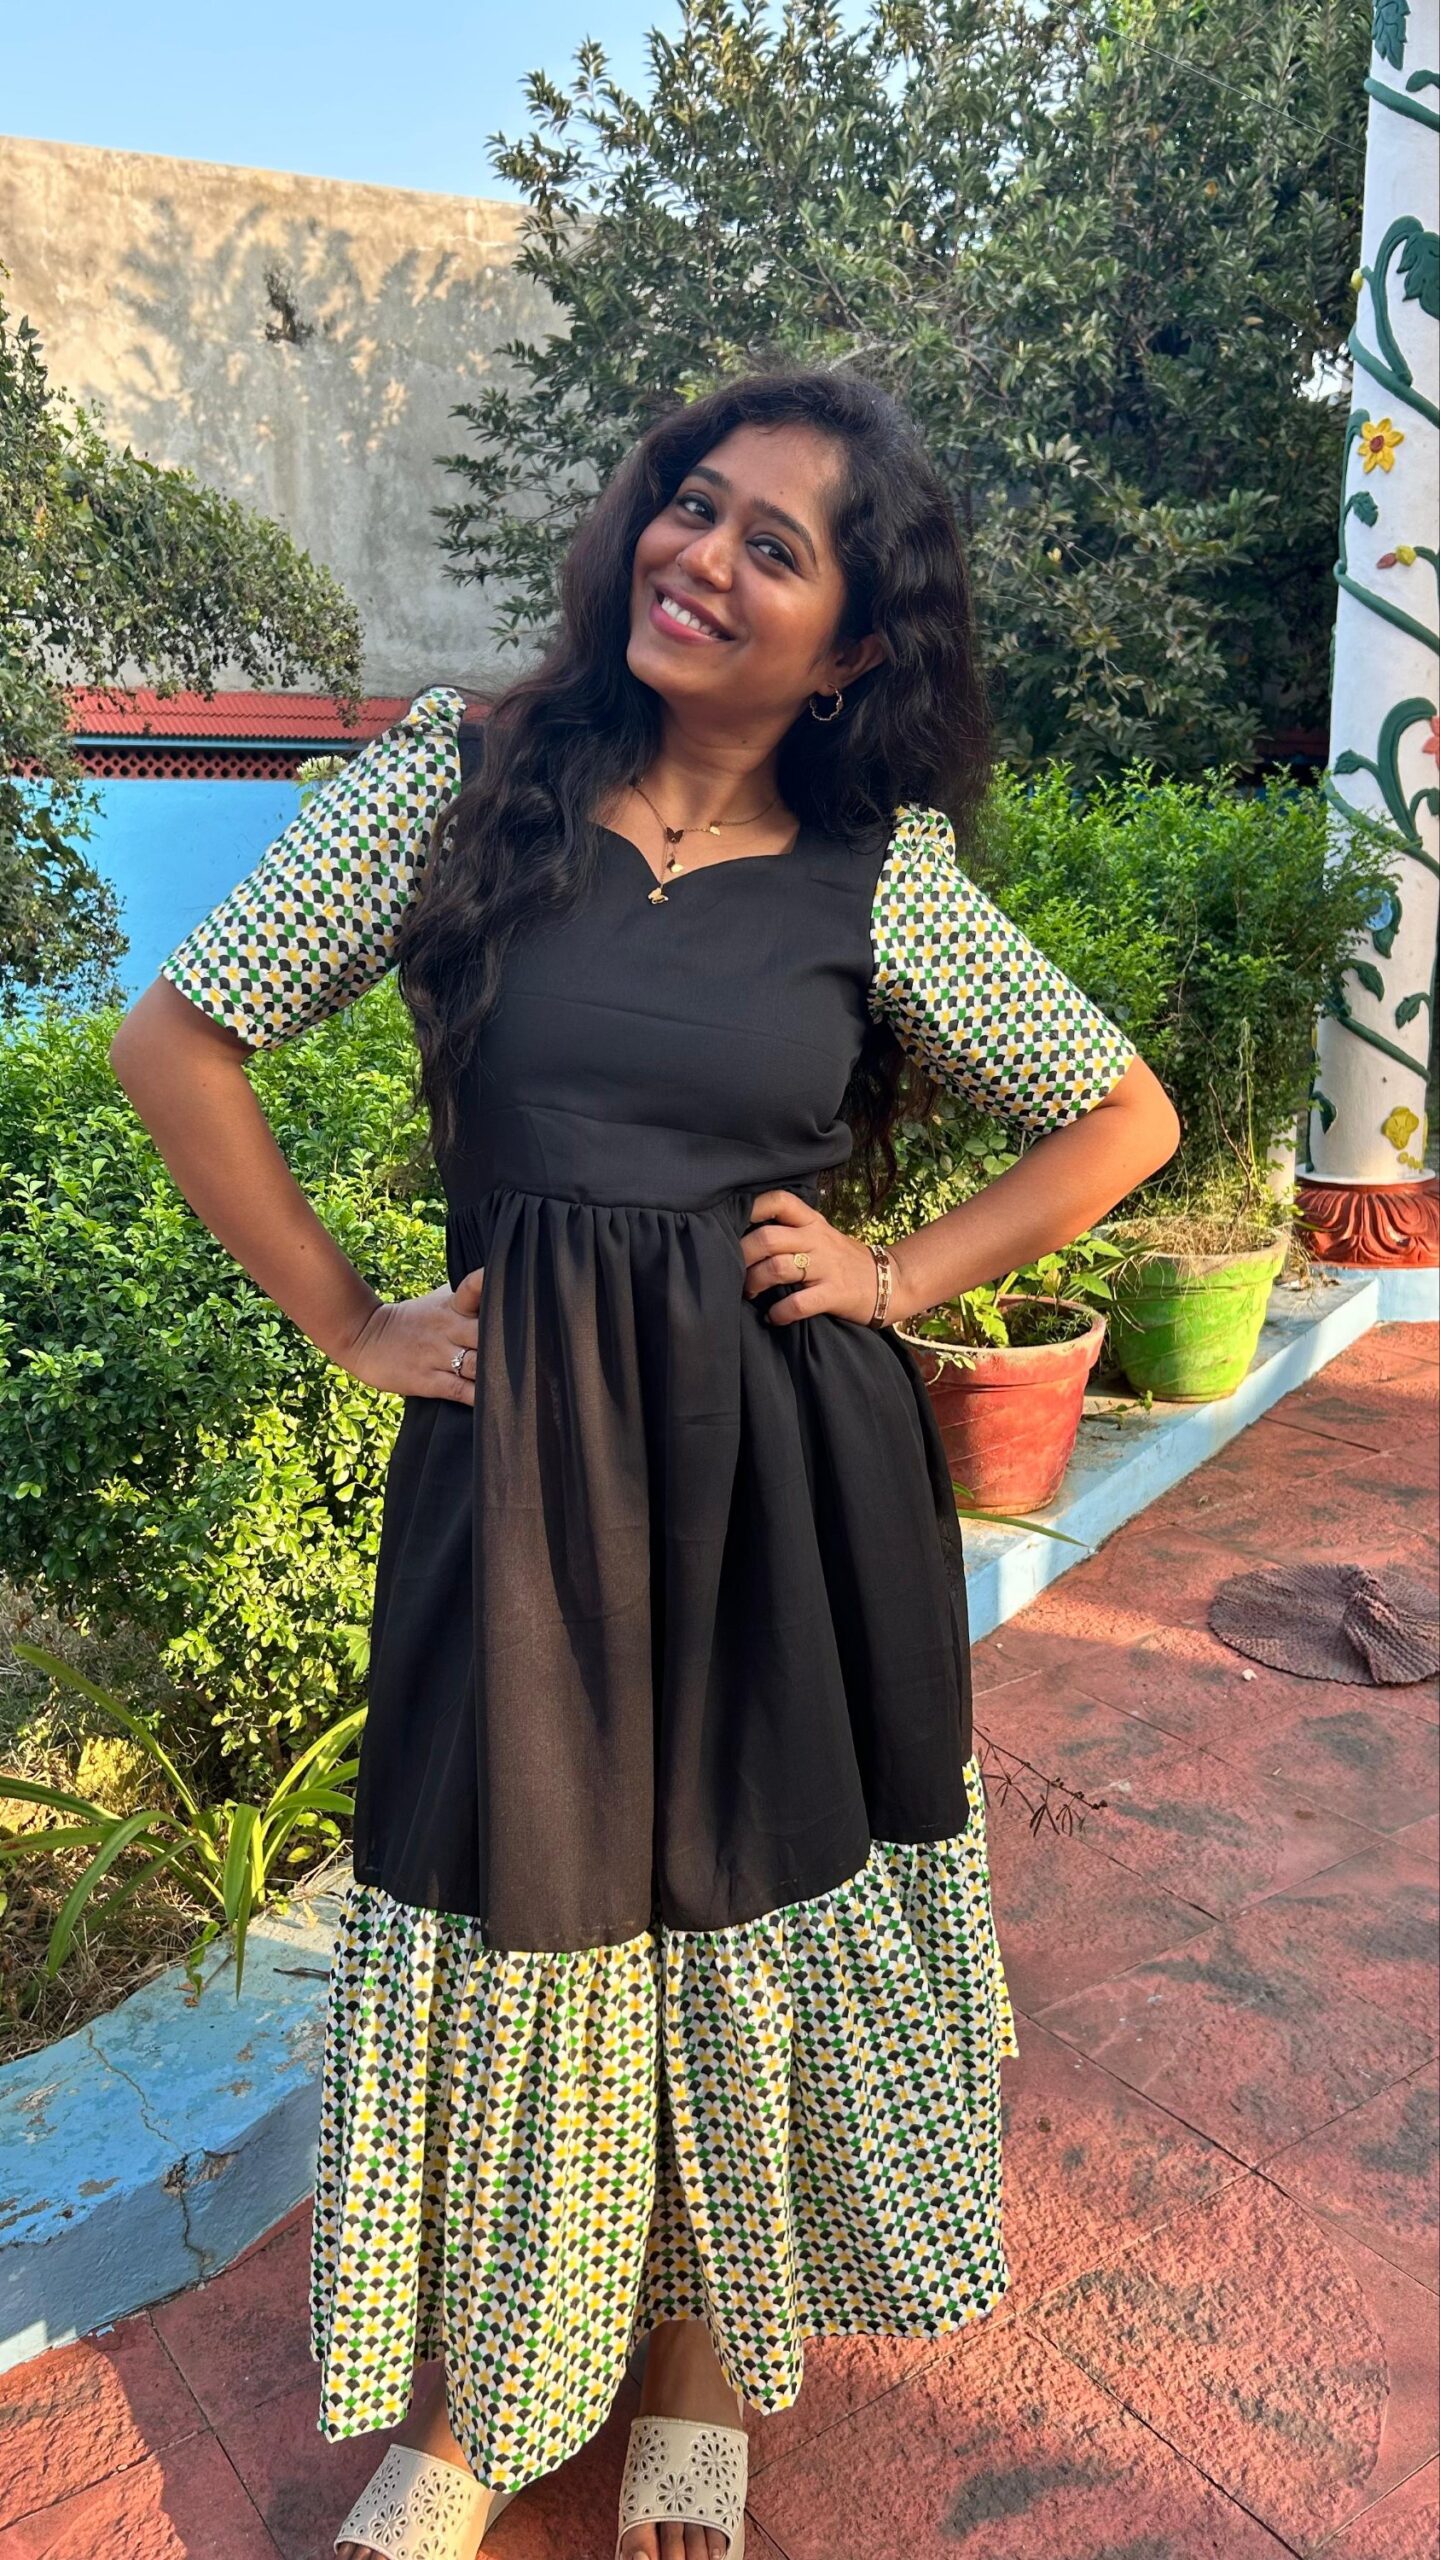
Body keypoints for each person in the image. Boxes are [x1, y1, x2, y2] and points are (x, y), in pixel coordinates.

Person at [110, 366, 1180, 2560]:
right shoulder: (460, 784)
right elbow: (177, 1037)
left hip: (790, 1488)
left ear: (850, 646)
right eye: (692, 505)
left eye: (775, 547)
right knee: (516, 1897)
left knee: (739, 1906)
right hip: (527, 1482)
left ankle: (698, 2358)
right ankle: (477, 2403)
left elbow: (1124, 1116)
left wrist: (901, 1271)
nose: (701, 556)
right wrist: (348, 1316)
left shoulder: (881, 880)